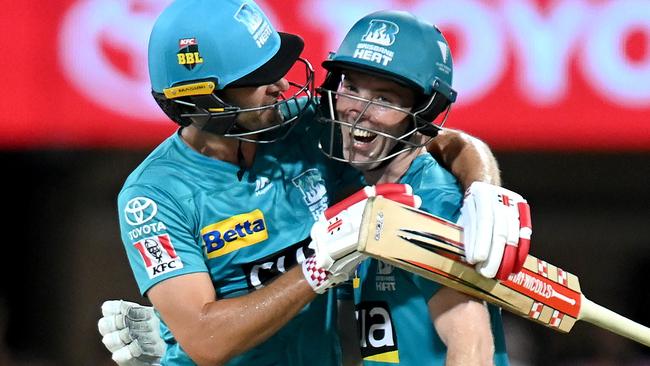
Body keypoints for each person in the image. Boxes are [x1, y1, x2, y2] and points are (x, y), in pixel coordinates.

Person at [98, 1, 530, 365]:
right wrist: (318, 266)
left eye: (277, 68)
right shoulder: (152, 196)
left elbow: (426, 139)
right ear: (201, 101)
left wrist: (484, 187)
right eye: (257, 80)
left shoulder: (302, 126)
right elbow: (208, 341)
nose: (282, 85)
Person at [314, 9, 531, 365]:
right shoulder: (363, 184)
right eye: (351, 87)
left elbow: (472, 348)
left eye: (384, 99)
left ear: (423, 113)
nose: (357, 109)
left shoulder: (429, 203)